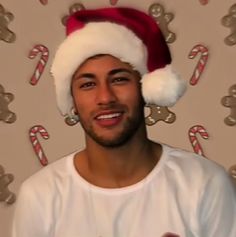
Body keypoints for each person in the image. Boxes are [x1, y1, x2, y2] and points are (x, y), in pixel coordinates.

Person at [12, 7, 236, 237]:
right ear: (72, 99)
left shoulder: (205, 184)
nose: (105, 98)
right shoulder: (40, 195)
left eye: (119, 79)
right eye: (87, 84)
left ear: (145, 89)